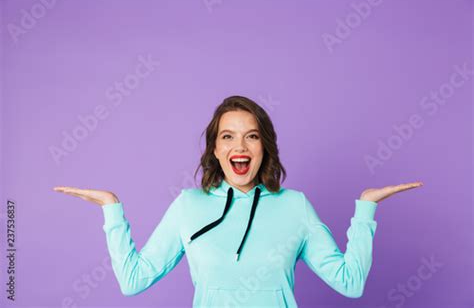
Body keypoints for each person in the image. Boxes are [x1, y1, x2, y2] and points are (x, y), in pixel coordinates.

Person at [53, 95, 423, 307]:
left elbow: (351, 283)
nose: (240, 147)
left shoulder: (295, 206)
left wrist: (366, 209)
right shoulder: (188, 205)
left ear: (265, 147)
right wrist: (111, 209)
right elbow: (133, 281)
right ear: (215, 149)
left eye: (252, 137)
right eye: (228, 137)